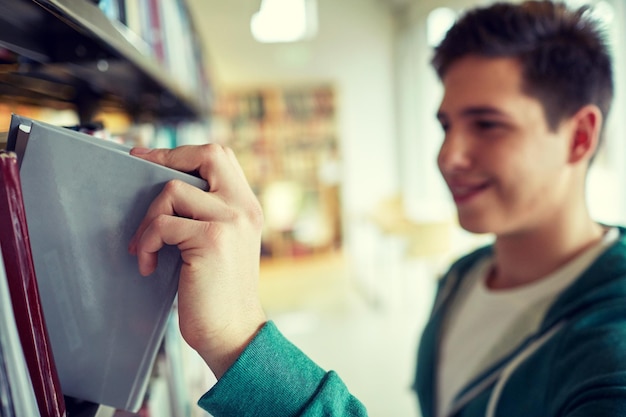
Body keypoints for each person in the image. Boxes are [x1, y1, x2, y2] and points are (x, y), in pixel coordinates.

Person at [128, 1, 626, 416]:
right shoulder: (461, 279)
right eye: (447, 125)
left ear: (579, 137)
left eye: (488, 124)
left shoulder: (613, 348)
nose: (448, 156)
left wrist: (238, 342)